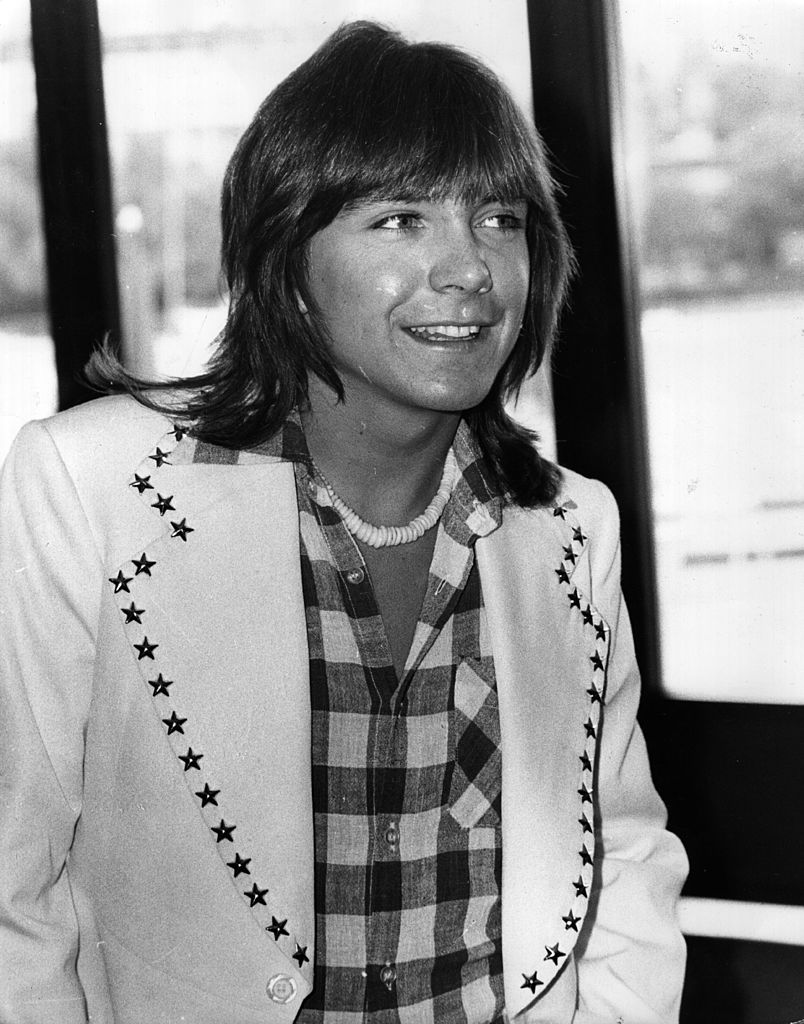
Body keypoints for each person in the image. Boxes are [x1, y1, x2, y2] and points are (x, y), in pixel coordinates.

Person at [0, 21, 687, 1024]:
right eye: (402, 219)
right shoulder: (89, 485)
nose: (468, 269)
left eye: (499, 218)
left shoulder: (570, 526)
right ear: (287, 260)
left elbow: (620, 851)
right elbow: (15, 883)